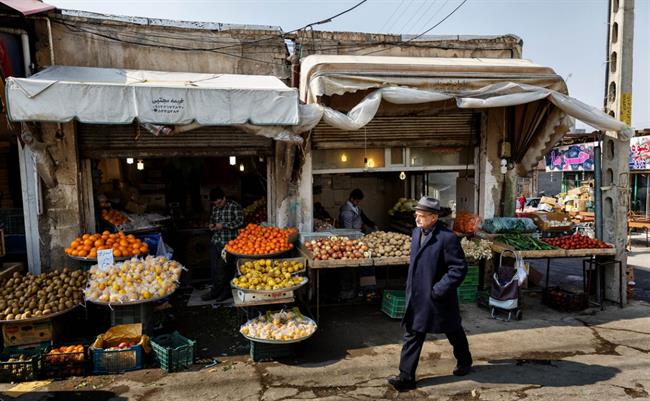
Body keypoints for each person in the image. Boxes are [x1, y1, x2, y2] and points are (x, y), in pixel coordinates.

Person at [388, 196, 473, 392]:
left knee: (453, 330)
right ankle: (406, 377)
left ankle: (465, 361)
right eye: (416, 215)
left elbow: (458, 268)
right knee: (413, 333)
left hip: (438, 298)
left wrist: (439, 290)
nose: (417, 219)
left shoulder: (447, 238)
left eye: (421, 216)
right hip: (417, 295)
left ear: (434, 217)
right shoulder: (417, 233)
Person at [201, 188, 244, 302]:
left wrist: (223, 225)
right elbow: (212, 220)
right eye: (215, 203)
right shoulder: (215, 208)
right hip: (216, 242)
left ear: (224, 198)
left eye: (219, 202)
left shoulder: (234, 206)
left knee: (224, 269)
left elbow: (240, 221)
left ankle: (226, 292)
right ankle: (215, 292)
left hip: (229, 244)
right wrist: (211, 225)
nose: (217, 205)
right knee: (214, 269)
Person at [338, 189, 378, 301]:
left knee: (366, 265)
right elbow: (348, 231)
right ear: (352, 199)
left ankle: (366, 290)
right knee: (361, 267)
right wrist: (358, 233)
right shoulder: (346, 212)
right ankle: (362, 291)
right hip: (352, 243)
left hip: (359, 240)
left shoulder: (356, 208)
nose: (358, 203)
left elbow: (364, 217)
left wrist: (371, 225)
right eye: (357, 201)